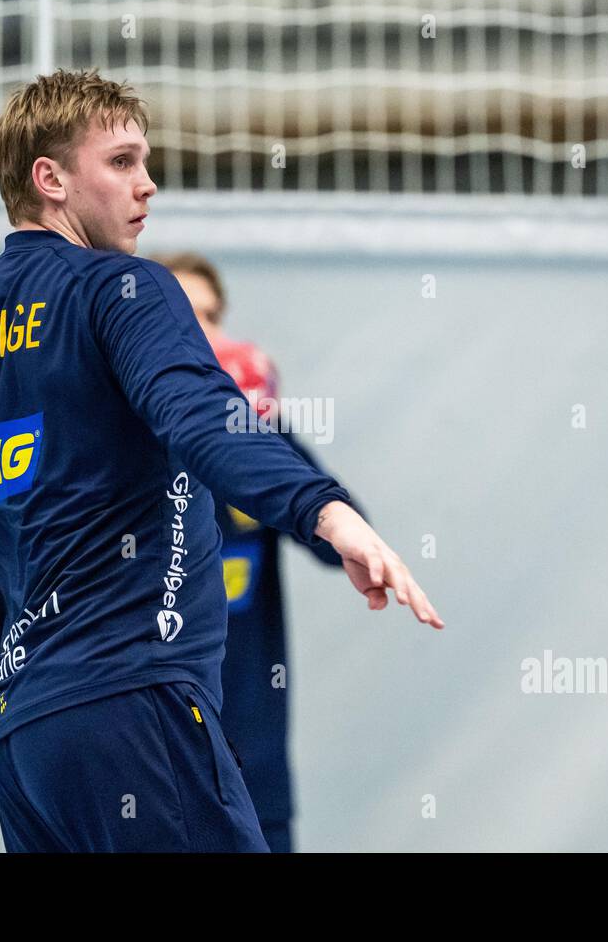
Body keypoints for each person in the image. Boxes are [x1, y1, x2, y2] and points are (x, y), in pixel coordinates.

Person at [0, 68, 442, 853]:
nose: (148, 186)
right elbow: (204, 416)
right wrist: (327, 511)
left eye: (145, 162)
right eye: (122, 162)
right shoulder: (124, 289)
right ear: (49, 179)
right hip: (135, 703)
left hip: (26, 738)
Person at [157, 253, 354, 853]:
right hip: (150, 762)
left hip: (252, 761)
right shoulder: (116, 447)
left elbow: (342, 546)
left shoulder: (256, 435)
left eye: (213, 317)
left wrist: (257, 428)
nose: (210, 336)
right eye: (188, 321)